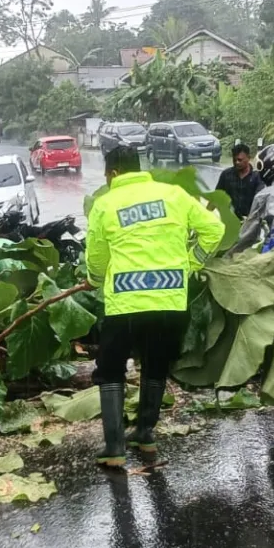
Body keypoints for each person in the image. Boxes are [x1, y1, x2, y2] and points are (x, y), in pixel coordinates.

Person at [86, 146, 224, 467]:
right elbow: (214, 229)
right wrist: (191, 263)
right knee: (155, 364)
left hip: (125, 303)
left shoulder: (105, 204)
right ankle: (145, 434)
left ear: (114, 173)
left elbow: (97, 257)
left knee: (110, 369)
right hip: (170, 300)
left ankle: (115, 448)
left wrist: (95, 279)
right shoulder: (173, 195)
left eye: (107, 176)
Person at [215, 142, 263, 219]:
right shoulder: (226, 175)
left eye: (240, 160)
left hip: (251, 220)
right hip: (230, 219)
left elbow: (261, 200)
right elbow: (217, 196)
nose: (237, 162)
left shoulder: (257, 176)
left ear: (248, 158)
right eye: (234, 160)